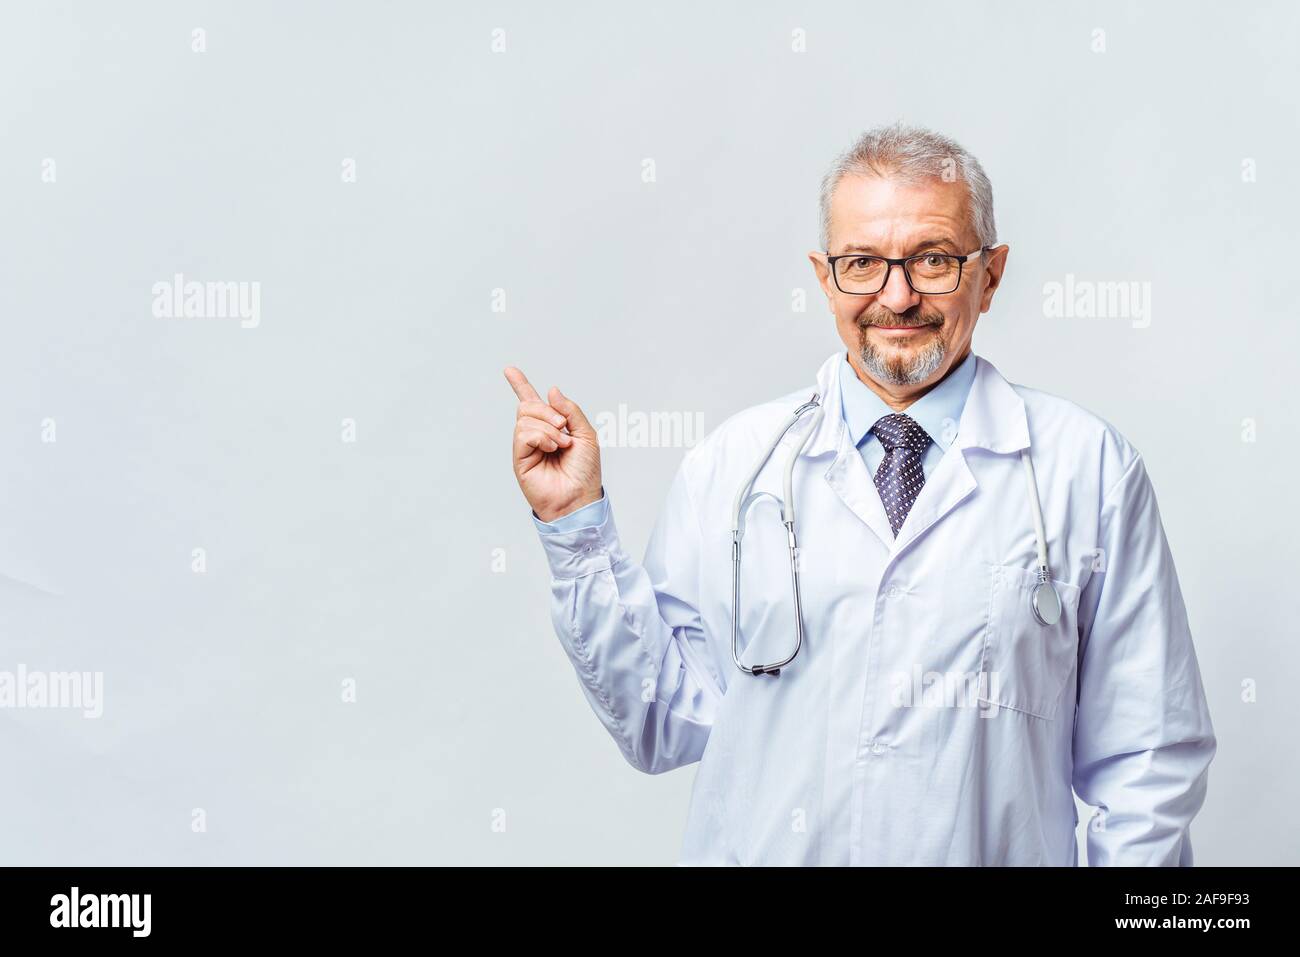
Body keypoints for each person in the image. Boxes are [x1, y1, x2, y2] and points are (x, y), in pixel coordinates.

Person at [503, 122, 1216, 866]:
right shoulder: (733, 466)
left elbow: (1147, 762)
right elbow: (658, 722)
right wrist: (573, 525)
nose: (896, 295)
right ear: (824, 275)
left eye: (934, 259)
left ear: (992, 273)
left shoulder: (1088, 470)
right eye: (863, 262)